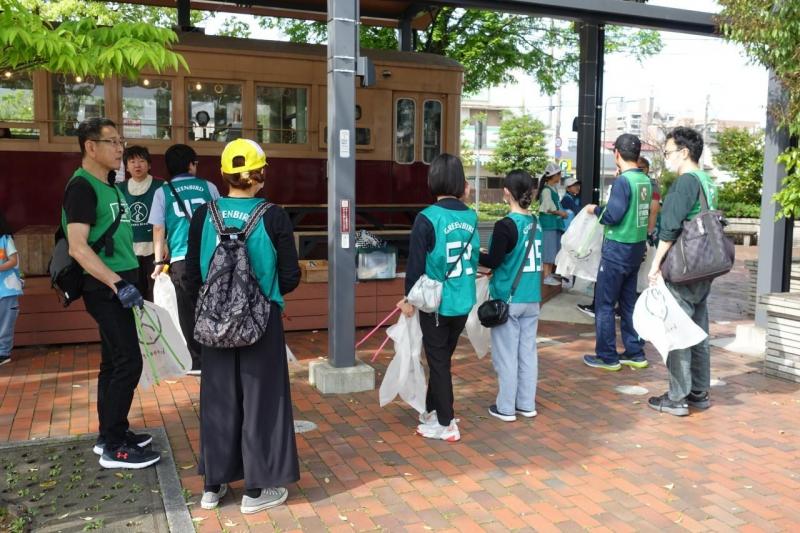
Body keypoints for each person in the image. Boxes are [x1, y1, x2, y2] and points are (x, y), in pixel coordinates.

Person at [185, 138, 300, 513]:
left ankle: (212, 486)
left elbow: (191, 276)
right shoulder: (274, 215)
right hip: (261, 322)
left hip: (214, 326)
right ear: (261, 175)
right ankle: (256, 490)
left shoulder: (205, 214)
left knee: (218, 401)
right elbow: (290, 276)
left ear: (223, 174)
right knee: (262, 402)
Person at [61, 117, 159, 468]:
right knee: (128, 362)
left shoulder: (109, 184)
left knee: (112, 361)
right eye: (113, 142)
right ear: (90, 147)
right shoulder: (82, 187)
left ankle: (110, 433)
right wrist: (117, 284)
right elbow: (77, 247)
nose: (121, 149)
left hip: (123, 283)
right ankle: (115, 448)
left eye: (121, 141)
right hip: (106, 289)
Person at [397, 153, 478, 442]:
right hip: (463, 299)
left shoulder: (427, 218)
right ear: (461, 182)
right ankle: (432, 409)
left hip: (435, 303)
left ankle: (446, 423)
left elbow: (415, 266)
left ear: (432, 180)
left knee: (439, 362)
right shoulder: (471, 216)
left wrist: (408, 299)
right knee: (441, 358)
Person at [646, 127, 717, 416]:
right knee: (698, 330)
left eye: (669, 152)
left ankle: (677, 397)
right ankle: (699, 391)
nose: (667, 158)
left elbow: (671, 227)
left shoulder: (686, 182)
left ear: (684, 152)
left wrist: (655, 265)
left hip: (684, 267)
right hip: (705, 264)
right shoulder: (707, 181)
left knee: (676, 330)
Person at [582, 133, 652, 372]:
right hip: (635, 248)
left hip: (617, 248)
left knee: (604, 304)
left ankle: (607, 355)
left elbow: (613, 215)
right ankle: (635, 351)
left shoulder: (623, 182)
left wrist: (594, 209)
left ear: (617, 154)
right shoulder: (644, 180)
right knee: (628, 303)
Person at [478, 170, 543, 422]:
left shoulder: (505, 225)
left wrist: (475, 253)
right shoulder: (536, 224)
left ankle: (506, 408)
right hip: (531, 298)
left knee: (506, 356)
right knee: (527, 353)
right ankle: (526, 404)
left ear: (506, 192)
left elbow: (494, 260)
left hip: (508, 299)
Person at [149, 144, 220, 375]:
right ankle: (218, 352)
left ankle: (196, 360)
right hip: (211, 256)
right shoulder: (208, 187)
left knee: (188, 309)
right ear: (191, 164)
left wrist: (159, 262)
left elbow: (158, 229)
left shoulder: (163, 191)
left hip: (181, 259)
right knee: (213, 304)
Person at [121, 146, 162, 300]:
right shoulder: (120, 189)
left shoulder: (161, 186)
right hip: (130, 249)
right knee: (136, 290)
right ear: (126, 166)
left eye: (141, 161)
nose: (137, 165)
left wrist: (165, 244)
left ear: (149, 165)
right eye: (132, 161)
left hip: (155, 249)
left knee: (156, 291)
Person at [536, 162, 568, 286]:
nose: (560, 176)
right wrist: (562, 213)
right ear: (553, 175)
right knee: (548, 250)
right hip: (548, 225)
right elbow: (549, 208)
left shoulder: (551, 188)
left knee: (552, 249)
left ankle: (549, 274)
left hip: (552, 224)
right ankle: (546, 276)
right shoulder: (546, 190)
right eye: (559, 174)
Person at [0, 210, 22, 366]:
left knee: (6, 323)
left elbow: (13, 261)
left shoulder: (5, 240)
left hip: (7, 291)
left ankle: (3, 353)